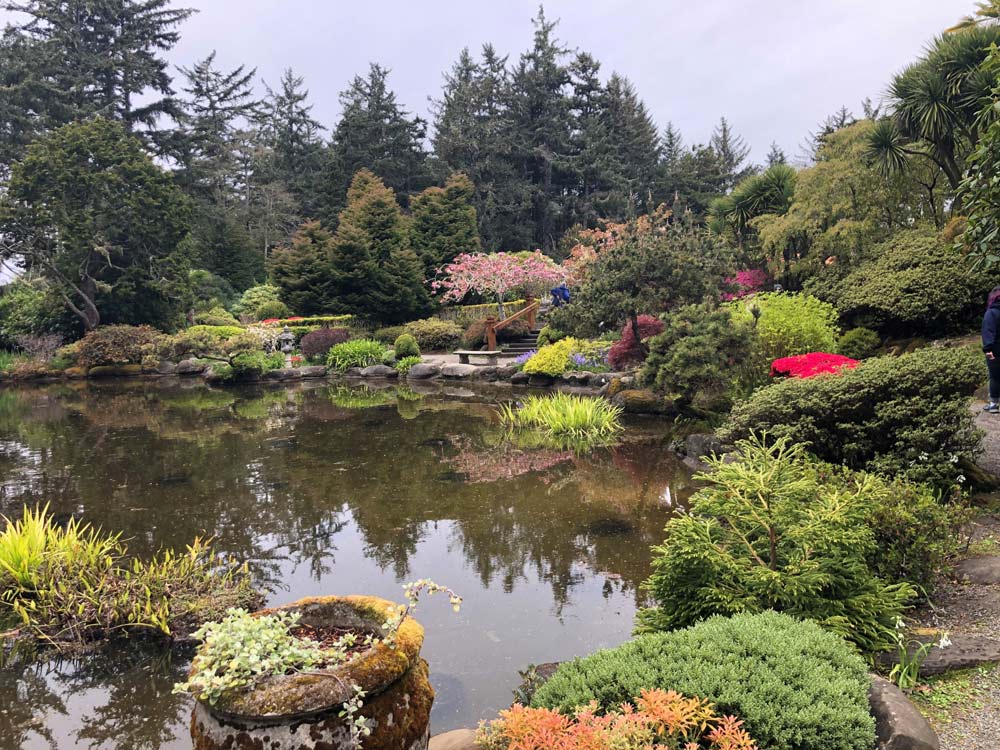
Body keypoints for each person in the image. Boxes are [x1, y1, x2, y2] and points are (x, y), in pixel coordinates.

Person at [983, 286, 1000, 413]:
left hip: (995, 350)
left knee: (995, 377)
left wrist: (988, 350)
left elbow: (988, 332)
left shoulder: (992, 313)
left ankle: (994, 404)